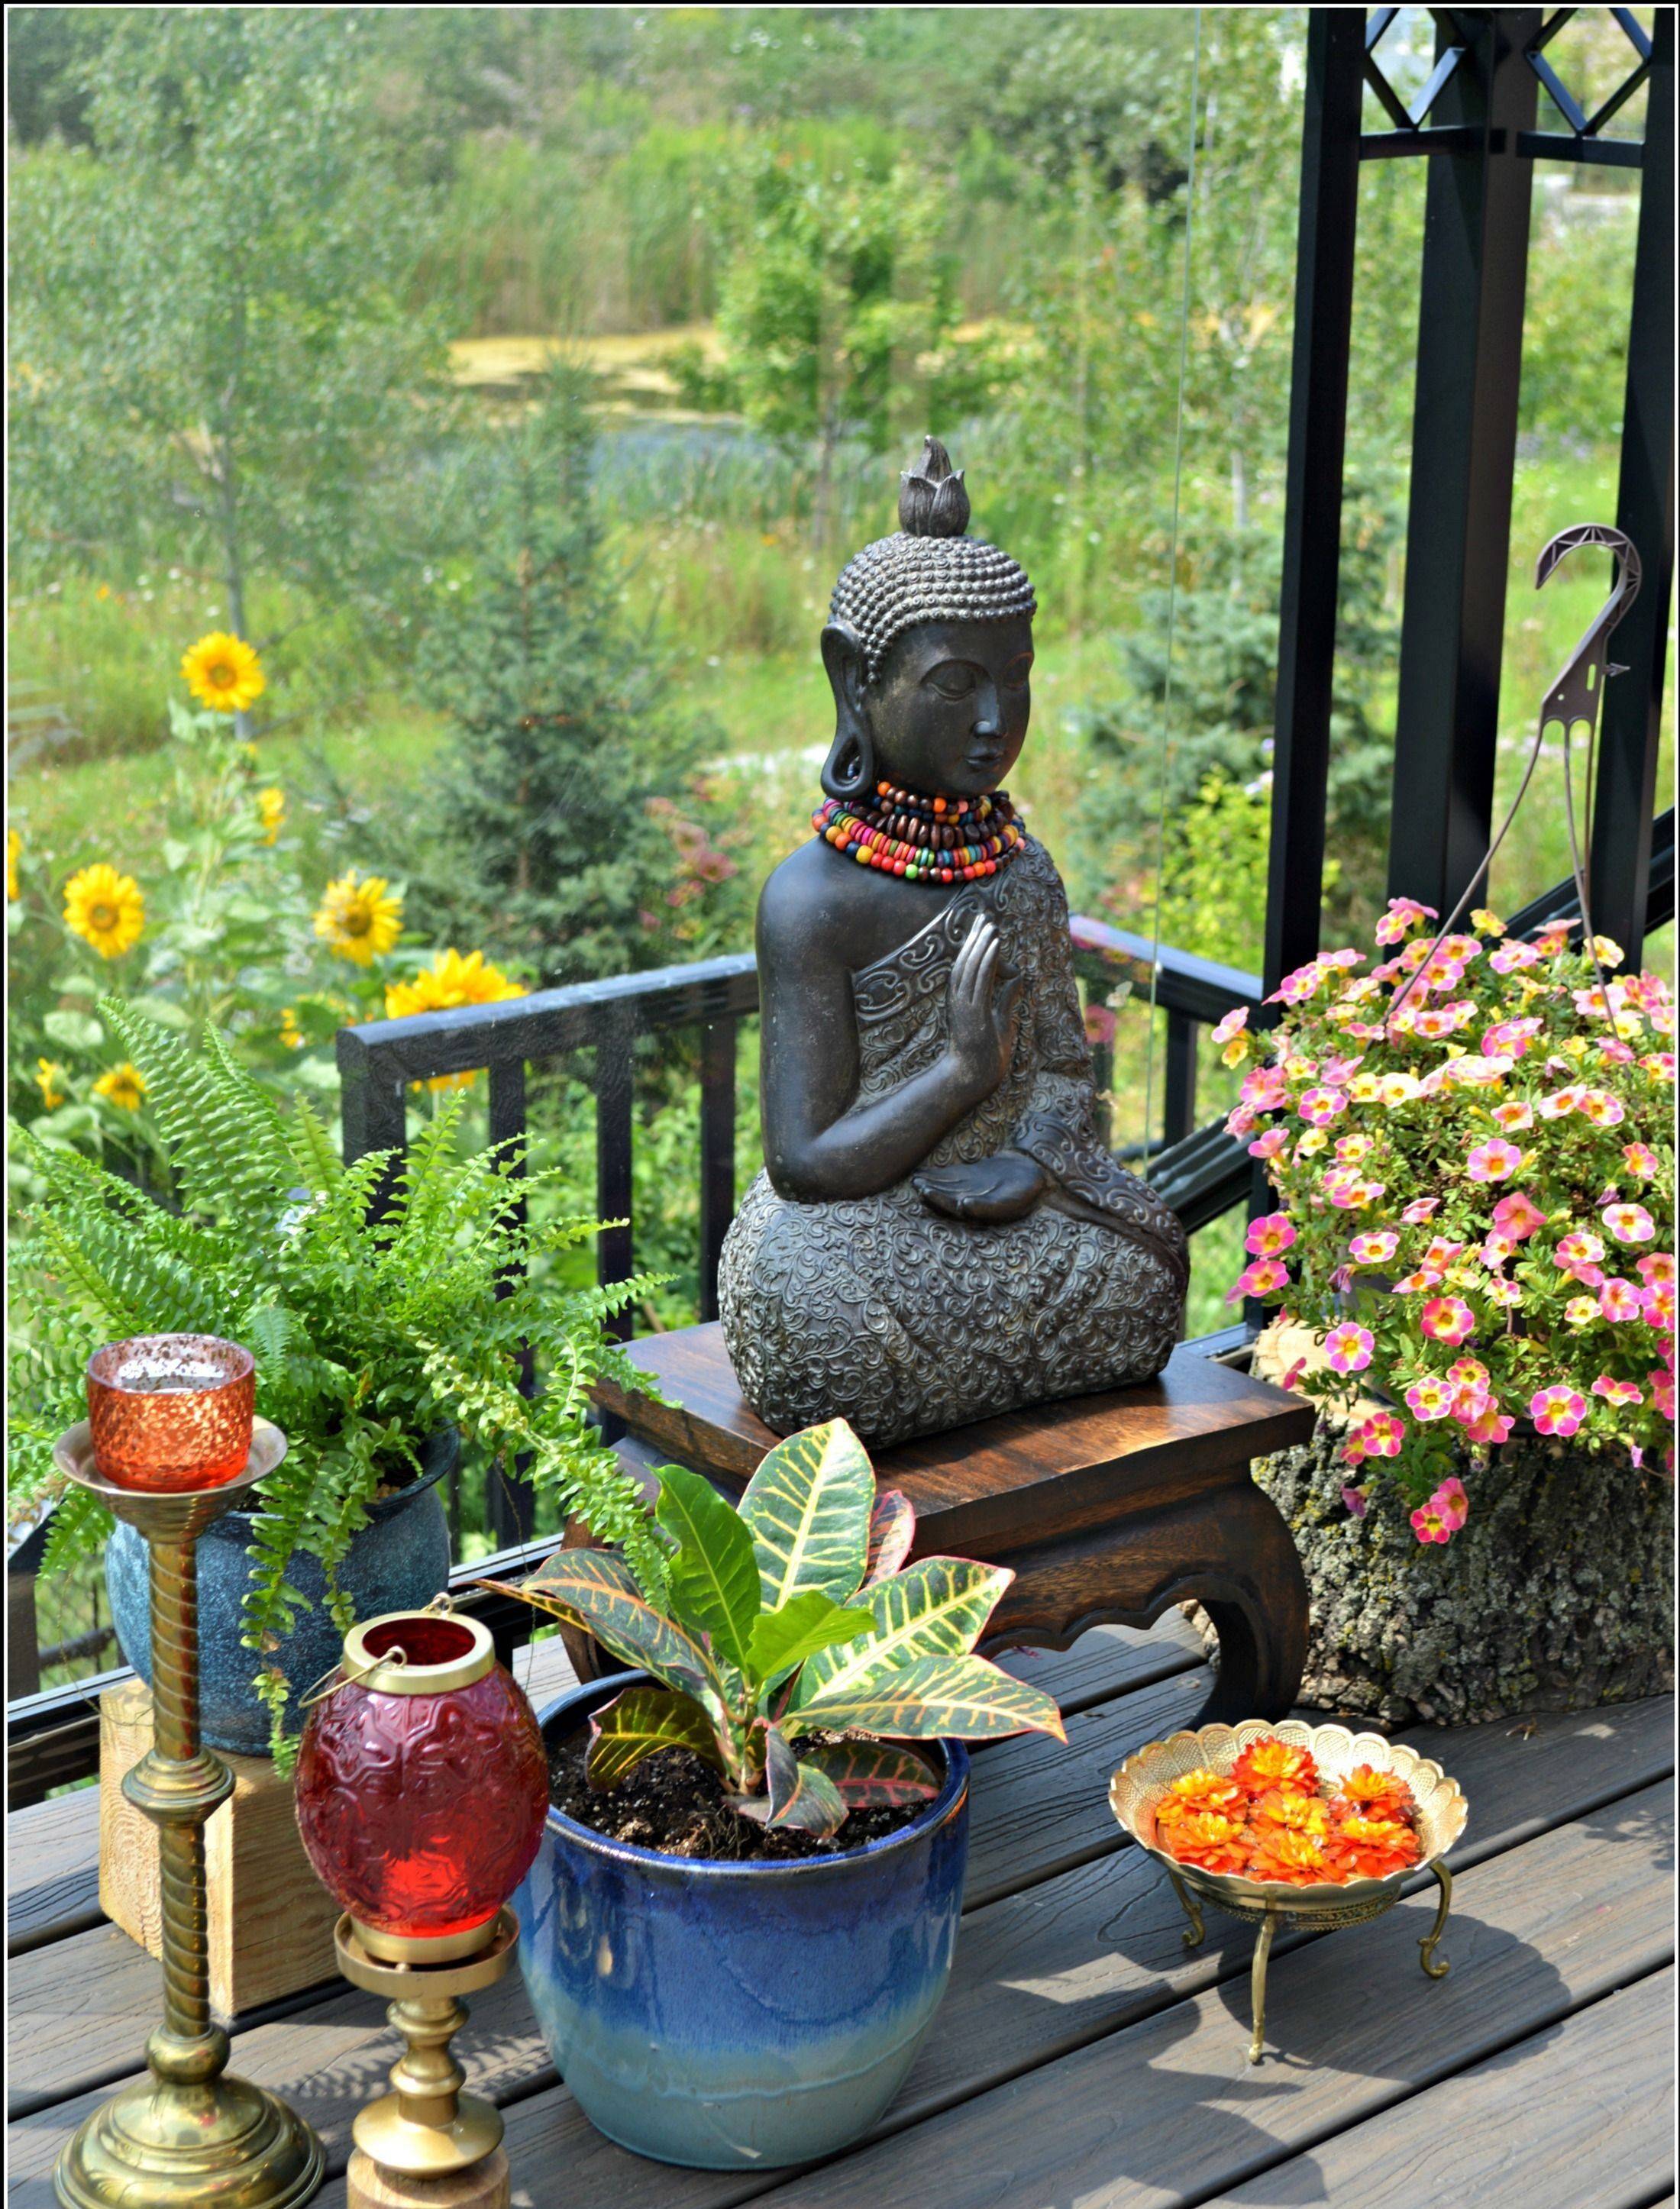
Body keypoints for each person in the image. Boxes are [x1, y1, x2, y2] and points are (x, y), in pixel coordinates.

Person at [719, 439, 1187, 1446]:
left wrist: (1030, 1164)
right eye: (954, 685)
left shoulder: (1021, 871)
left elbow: (1063, 1073)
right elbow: (804, 1162)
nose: (993, 721)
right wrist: (961, 1076)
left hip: (1010, 1207)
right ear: (855, 679)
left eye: (1015, 682)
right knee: (812, 1317)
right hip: (853, 1228)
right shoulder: (812, 899)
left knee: (1149, 1265)